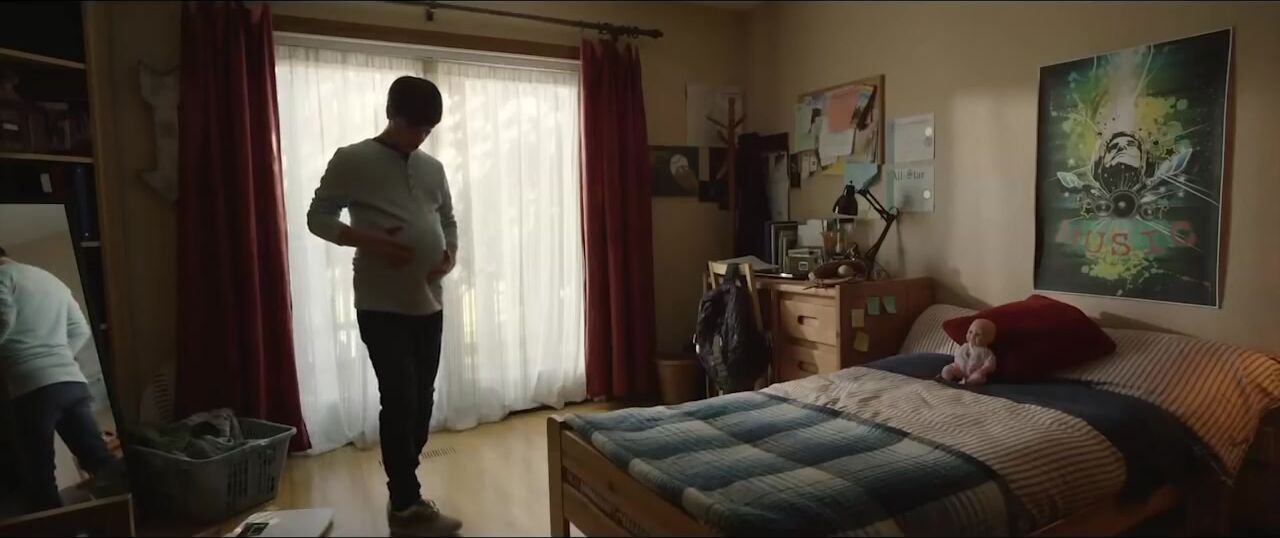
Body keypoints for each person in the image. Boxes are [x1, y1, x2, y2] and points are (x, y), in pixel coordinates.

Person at [307, 76, 462, 537]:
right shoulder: (352, 159)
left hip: (429, 302)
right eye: (415, 127)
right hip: (381, 304)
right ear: (392, 115)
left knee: (422, 400)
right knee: (400, 398)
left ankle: (403, 481)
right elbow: (318, 217)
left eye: (428, 130)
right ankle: (405, 500)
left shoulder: (433, 168)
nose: (421, 137)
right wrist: (371, 241)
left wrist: (450, 256)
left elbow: (448, 220)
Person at [0, 245, 120, 513]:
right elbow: (80, 329)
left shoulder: (2, 278)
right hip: (71, 382)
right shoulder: (50, 280)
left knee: (39, 475)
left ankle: (58, 529)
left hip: (31, 387)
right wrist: (59, 355)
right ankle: (130, 514)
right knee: (99, 458)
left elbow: (4, 318)